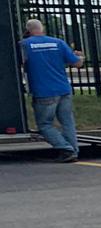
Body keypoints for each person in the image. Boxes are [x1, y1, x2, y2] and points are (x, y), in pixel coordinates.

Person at [18, 18, 82, 162]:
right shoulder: (58, 42)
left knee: (44, 125)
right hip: (64, 89)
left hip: (43, 91)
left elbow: (18, 64)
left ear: (27, 30)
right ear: (43, 28)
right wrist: (80, 56)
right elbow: (77, 63)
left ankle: (66, 149)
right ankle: (74, 151)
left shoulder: (24, 45)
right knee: (67, 122)